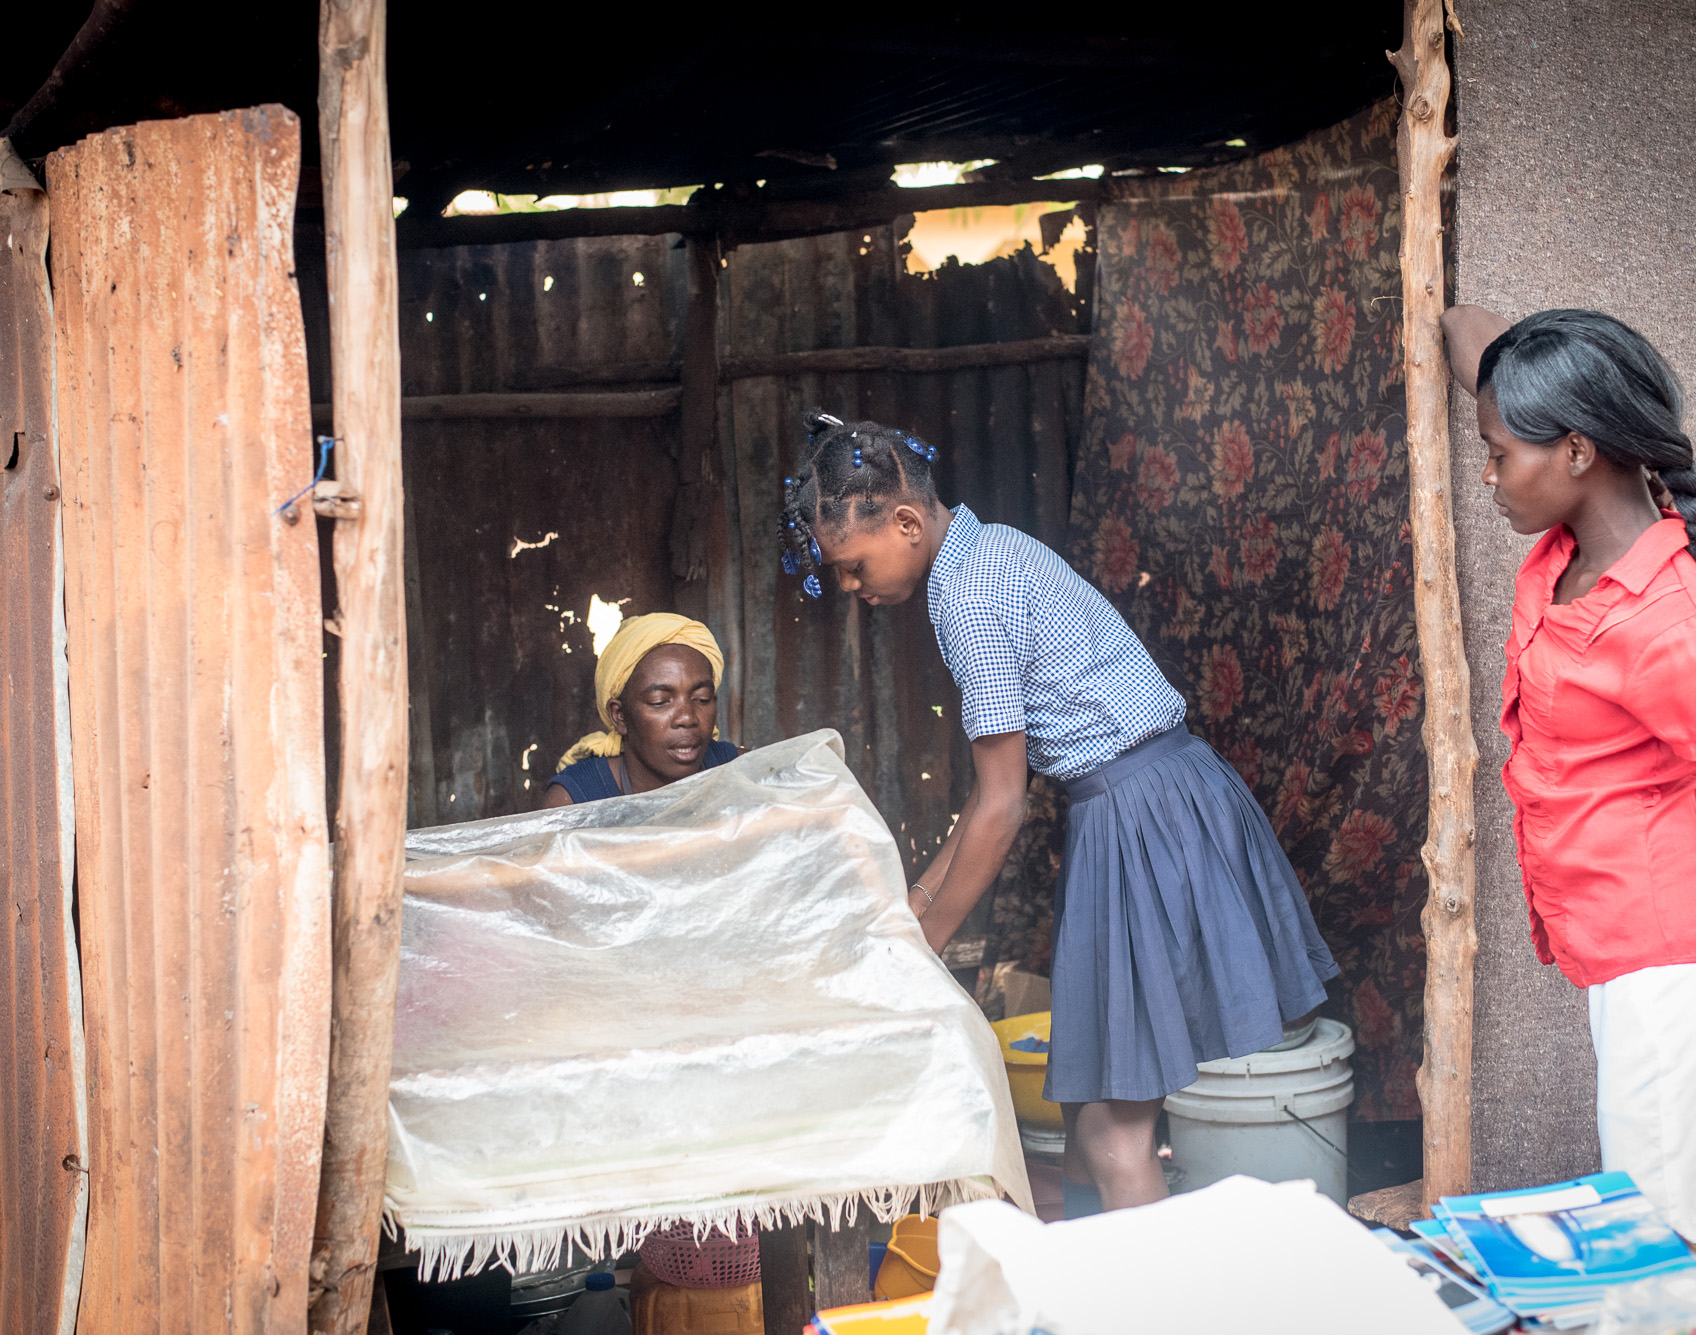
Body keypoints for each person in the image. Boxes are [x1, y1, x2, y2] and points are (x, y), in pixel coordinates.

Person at [777, 410, 1339, 1215]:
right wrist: (911, 917)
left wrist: (920, 944)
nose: (852, 589)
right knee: (1086, 1112)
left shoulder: (967, 599)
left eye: (854, 566)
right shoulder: (992, 548)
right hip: (1169, 794)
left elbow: (1003, 805)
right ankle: (1089, 1287)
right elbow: (986, 795)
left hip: (1140, 818)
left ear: (903, 522)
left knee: (1113, 1132)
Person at [1441, 306, 1696, 1280]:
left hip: (1674, 971)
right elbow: (1478, 347)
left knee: (1669, 1239)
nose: (1486, 476)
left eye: (1495, 455)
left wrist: (1692, 938)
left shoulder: (1669, 626)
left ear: (1574, 448)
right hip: (1637, 961)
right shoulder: (1576, 546)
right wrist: (1464, 331)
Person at [543, 612, 739, 806]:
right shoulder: (574, 802)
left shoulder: (741, 772)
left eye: (702, 699)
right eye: (660, 701)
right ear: (619, 716)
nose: (687, 718)